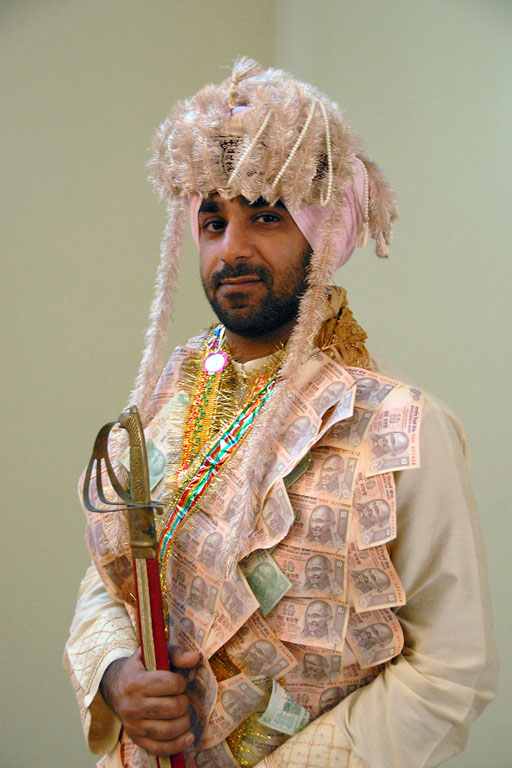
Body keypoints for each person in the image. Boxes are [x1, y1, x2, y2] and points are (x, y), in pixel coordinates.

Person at [64, 58, 497, 768]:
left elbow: (452, 671)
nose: (232, 249)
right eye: (212, 221)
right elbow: (110, 572)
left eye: (265, 217)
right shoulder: (167, 398)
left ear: (322, 232)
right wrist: (116, 674)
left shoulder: (405, 427)